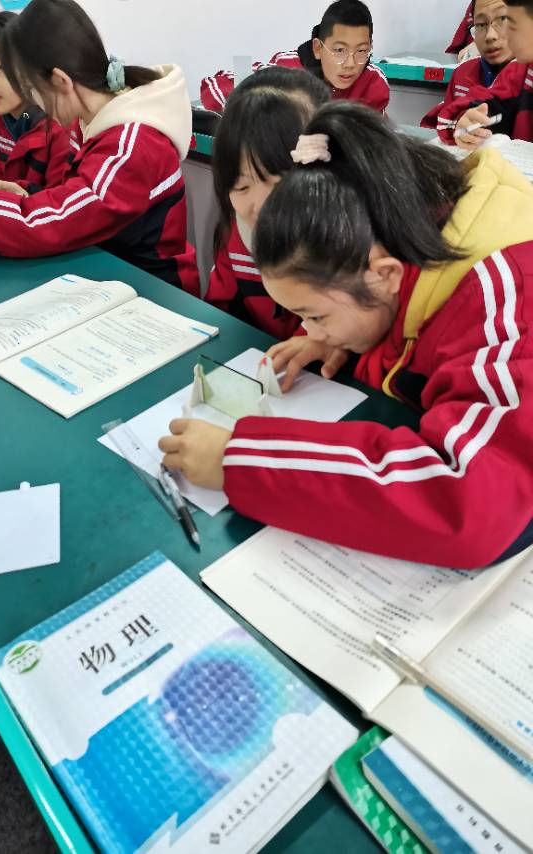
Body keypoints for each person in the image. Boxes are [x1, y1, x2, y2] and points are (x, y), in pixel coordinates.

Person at [159, 101, 533, 569]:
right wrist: (341, 342)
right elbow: (412, 331)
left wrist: (243, 460)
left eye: (314, 315)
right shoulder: (408, 241)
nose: (309, 331)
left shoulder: (508, 299)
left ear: (383, 274)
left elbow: (472, 501)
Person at [0, 0, 199, 295]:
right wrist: (30, 193)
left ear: (60, 81)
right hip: (106, 276)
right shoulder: (92, 124)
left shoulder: (130, 144)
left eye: (31, 89)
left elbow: (55, 221)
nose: (33, 102)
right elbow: (76, 198)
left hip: (156, 293)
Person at [206, 66, 329, 339]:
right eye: (241, 186)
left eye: (279, 182)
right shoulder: (236, 235)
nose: (260, 205)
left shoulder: (354, 244)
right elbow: (219, 315)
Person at [200, 0, 389, 114]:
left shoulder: (374, 82)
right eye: (340, 50)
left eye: (361, 51)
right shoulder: (288, 68)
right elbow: (214, 88)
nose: (350, 63)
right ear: (318, 48)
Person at [0, 11, 73, 194]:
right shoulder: (0, 126)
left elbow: (62, 203)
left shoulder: (59, 130)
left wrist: (23, 197)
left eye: (0, 67)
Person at [438, 0, 533, 149]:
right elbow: (483, 106)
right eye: (481, 25)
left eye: (503, 20)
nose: (490, 35)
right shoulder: (520, 72)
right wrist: (464, 120)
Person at [422, 0, 514, 130]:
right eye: (481, 25)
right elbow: (442, 123)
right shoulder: (464, 74)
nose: (490, 35)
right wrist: (456, 125)